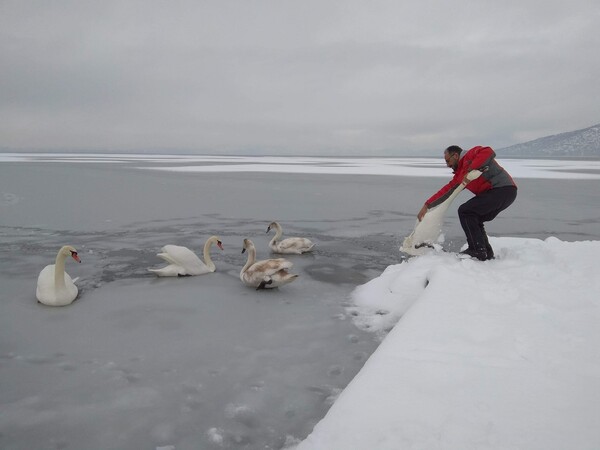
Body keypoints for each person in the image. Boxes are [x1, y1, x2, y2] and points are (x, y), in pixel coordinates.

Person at [417, 145, 517, 261]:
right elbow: (447, 191)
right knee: (475, 217)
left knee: (466, 211)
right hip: (501, 193)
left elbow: (488, 151)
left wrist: (470, 170)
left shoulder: (471, 155)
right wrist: (427, 205)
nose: (447, 165)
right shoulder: (460, 175)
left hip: (503, 189)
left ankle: (476, 249)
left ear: (455, 155)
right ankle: (486, 252)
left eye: (448, 160)